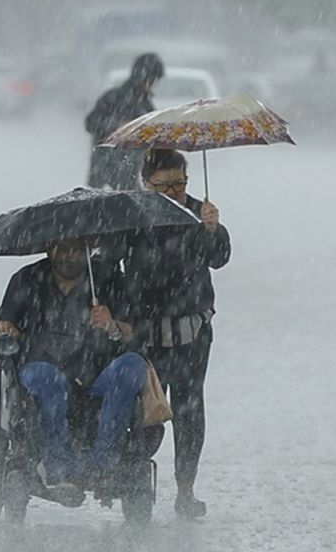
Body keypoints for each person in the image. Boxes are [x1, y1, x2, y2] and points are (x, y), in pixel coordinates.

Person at [0, 237, 146, 498]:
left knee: (133, 365)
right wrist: (5, 330)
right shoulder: (26, 279)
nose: (69, 256)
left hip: (96, 375)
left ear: (89, 250)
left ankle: (101, 465)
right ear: (49, 248)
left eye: (77, 250)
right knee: (46, 378)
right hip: (41, 369)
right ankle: (61, 468)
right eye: (62, 249)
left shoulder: (108, 278)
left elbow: (136, 332)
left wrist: (113, 326)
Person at [123, 149, 231, 519]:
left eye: (179, 184)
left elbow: (219, 257)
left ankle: (186, 489)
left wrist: (213, 230)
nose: (172, 192)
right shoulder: (131, 216)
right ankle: (136, 483)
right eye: (163, 185)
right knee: (145, 410)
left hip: (191, 334)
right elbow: (109, 261)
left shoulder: (200, 215)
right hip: (145, 336)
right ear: (145, 183)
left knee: (189, 410)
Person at [84, 53, 164, 190]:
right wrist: (116, 125)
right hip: (103, 172)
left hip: (129, 174)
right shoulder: (112, 98)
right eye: (151, 80)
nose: (152, 85)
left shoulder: (146, 107)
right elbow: (90, 123)